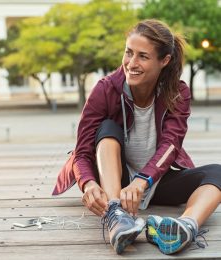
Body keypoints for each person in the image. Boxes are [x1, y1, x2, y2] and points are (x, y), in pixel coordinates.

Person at [52, 19, 221, 255]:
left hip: (154, 181)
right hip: (117, 185)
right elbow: (81, 152)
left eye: (143, 56)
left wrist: (143, 181)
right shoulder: (105, 89)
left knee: (217, 173)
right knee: (108, 128)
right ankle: (116, 215)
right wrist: (89, 183)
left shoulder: (177, 92)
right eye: (128, 52)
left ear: (165, 60)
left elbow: (171, 145)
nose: (132, 63)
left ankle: (185, 226)